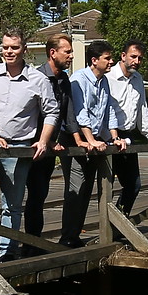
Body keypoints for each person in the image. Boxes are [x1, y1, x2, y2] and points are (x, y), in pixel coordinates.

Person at [0, 28, 59, 260]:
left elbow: (52, 112)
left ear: (24, 50)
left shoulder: (38, 80)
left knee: (12, 204)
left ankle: (8, 253)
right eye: (6, 47)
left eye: (15, 47)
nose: (9, 52)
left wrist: (43, 140)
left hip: (18, 148)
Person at [21, 34, 84, 256]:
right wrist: (49, 140)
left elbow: (68, 114)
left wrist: (78, 139)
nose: (71, 55)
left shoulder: (64, 80)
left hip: (48, 150)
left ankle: (33, 242)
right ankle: (21, 245)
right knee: (20, 196)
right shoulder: (36, 77)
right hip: (31, 145)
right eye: (67, 51)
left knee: (39, 195)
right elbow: (31, 113)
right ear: (52, 53)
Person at [61, 41, 126, 246]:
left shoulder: (104, 81)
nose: (111, 61)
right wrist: (90, 140)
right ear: (94, 60)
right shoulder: (79, 79)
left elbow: (108, 112)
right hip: (75, 138)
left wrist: (113, 138)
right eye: (107, 58)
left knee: (87, 189)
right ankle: (67, 238)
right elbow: (81, 113)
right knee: (76, 188)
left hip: (94, 138)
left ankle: (74, 236)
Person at [107, 40, 148, 214]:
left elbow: (142, 108)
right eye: (133, 57)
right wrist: (113, 136)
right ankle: (104, 230)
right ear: (123, 56)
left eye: (140, 58)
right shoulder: (108, 76)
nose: (136, 61)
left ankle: (119, 224)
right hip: (108, 135)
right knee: (105, 186)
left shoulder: (138, 79)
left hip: (128, 136)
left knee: (133, 184)